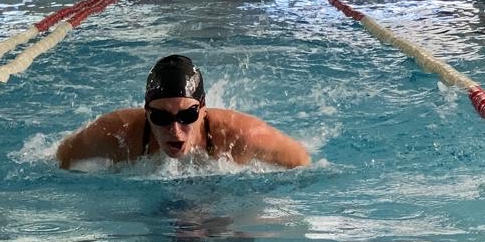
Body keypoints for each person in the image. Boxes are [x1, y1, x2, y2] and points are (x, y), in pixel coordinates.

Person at [56, 54, 310, 169]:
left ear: (203, 109)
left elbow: (301, 162)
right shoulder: (116, 133)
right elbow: (63, 156)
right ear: (146, 112)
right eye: (161, 117)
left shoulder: (240, 136)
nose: (174, 130)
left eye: (187, 116)